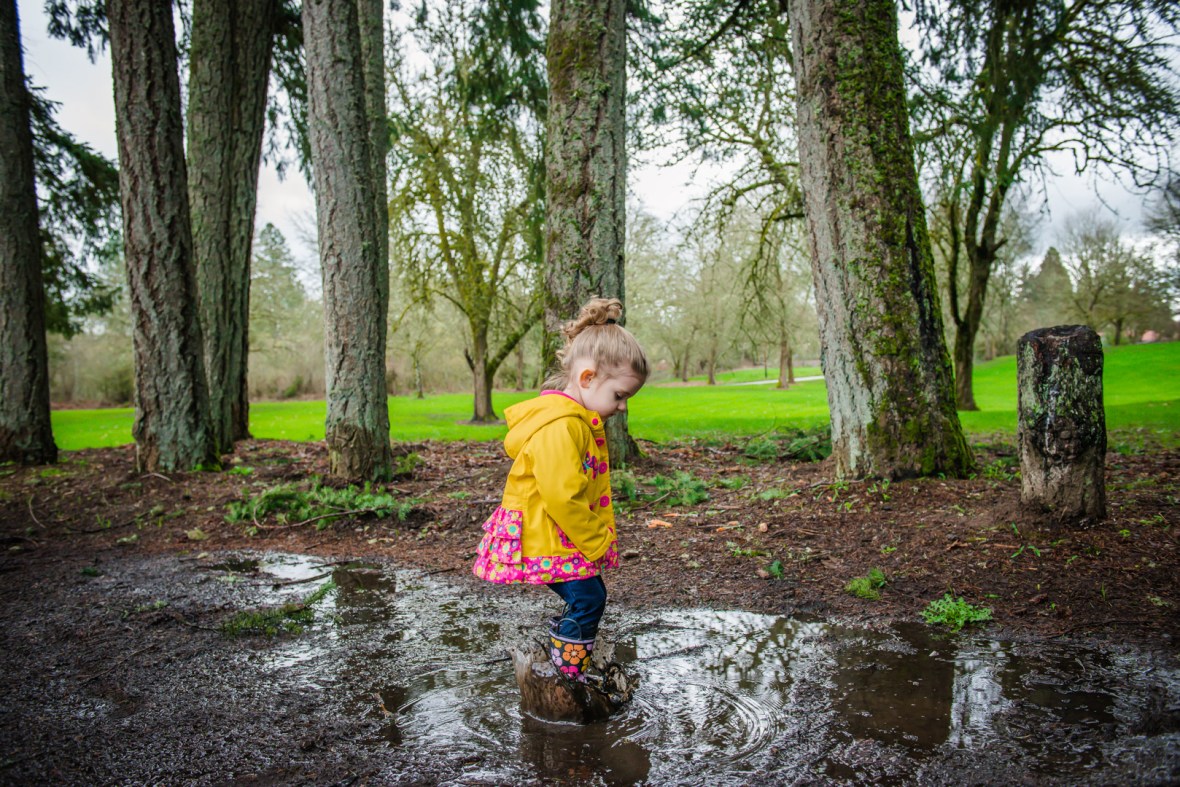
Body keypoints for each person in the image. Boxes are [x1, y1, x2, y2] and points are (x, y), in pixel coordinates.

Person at [473, 297, 648, 681]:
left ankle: (567, 649)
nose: (621, 407)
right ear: (587, 378)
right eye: (619, 395)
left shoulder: (574, 422)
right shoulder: (561, 426)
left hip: (555, 533)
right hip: (546, 533)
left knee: (587, 596)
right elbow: (562, 496)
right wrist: (597, 541)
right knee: (590, 597)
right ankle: (568, 670)